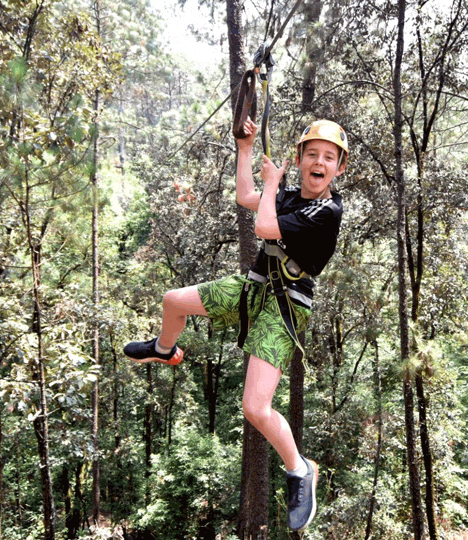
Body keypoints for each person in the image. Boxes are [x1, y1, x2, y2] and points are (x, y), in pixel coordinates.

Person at [124, 117, 347, 532]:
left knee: (255, 407)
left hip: (285, 306)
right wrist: (245, 148)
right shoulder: (289, 196)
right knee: (173, 301)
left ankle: (300, 469)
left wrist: (272, 185)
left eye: (328, 157)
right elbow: (246, 196)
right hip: (253, 287)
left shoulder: (327, 211)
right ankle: (164, 349)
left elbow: (264, 225)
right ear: (300, 159)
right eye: (312, 154)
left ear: (339, 167)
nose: (319, 162)